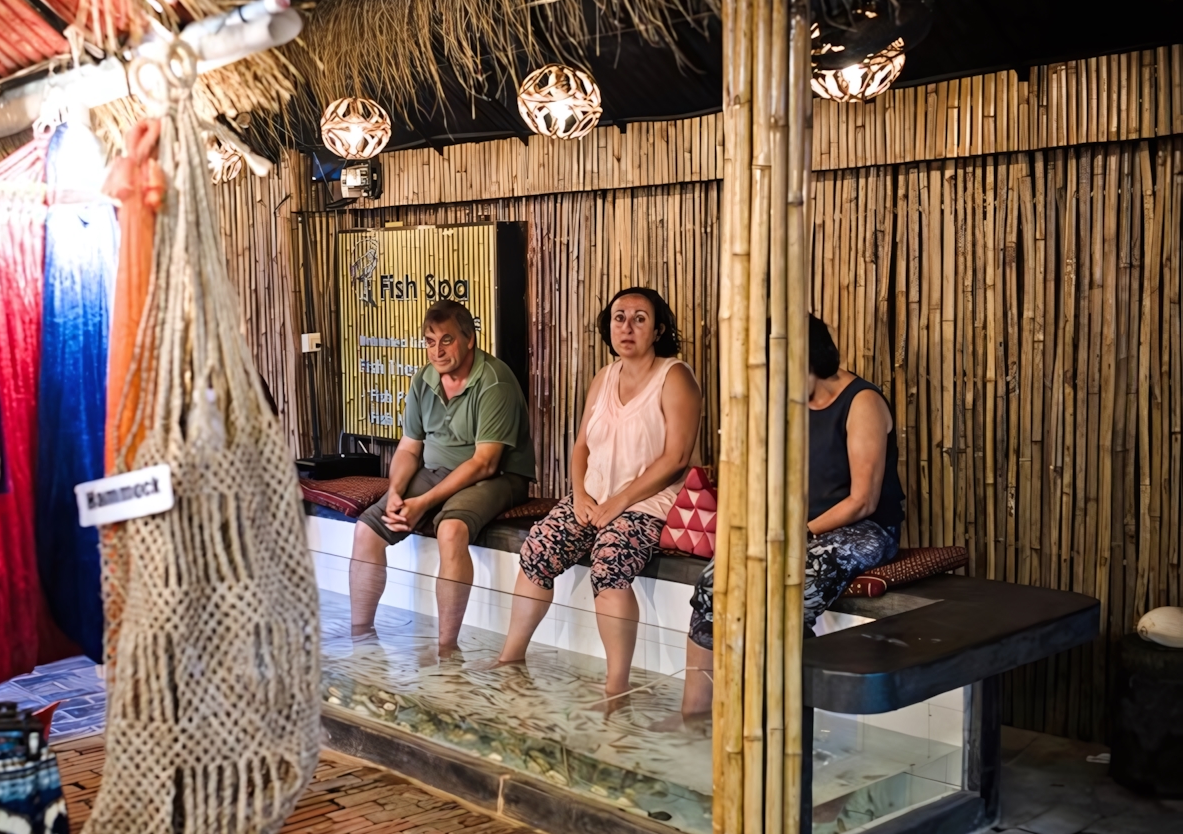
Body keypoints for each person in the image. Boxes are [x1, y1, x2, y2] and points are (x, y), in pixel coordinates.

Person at [681, 314, 905, 717]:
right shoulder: (787, 403)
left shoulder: (862, 402)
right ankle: (695, 717)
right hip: (797, 527)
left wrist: (798, 532)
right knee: (713, 587)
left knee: (790, 594)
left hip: (863, 529)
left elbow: (862, 500)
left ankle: (780, 726)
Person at [495, 287, 702, 696]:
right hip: (594, 498)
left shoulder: (675, 376)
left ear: (658, 329)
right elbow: (581, 446)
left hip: (650, 503)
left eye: (639, 318)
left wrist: (619, 502)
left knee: (610, 559)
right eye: (618, 317)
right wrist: (581, 496)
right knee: (539, 547)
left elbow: (677, 458)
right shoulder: (604, 377)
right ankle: (510, 657)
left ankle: (615, 687)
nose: (627, 326)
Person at [349, 299, 536, 649]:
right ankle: (360, 636)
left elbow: (486, 463)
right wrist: (395, 492)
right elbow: (408, 448)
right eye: (430, 341)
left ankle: (446, 650)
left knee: (450, 529)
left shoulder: (495, 381)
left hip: (497, 478)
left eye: (446, 340)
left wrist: (423, 503)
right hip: (434, 471)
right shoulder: (424, 379)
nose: (437, 351)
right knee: (366, 530)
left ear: (469, 340)